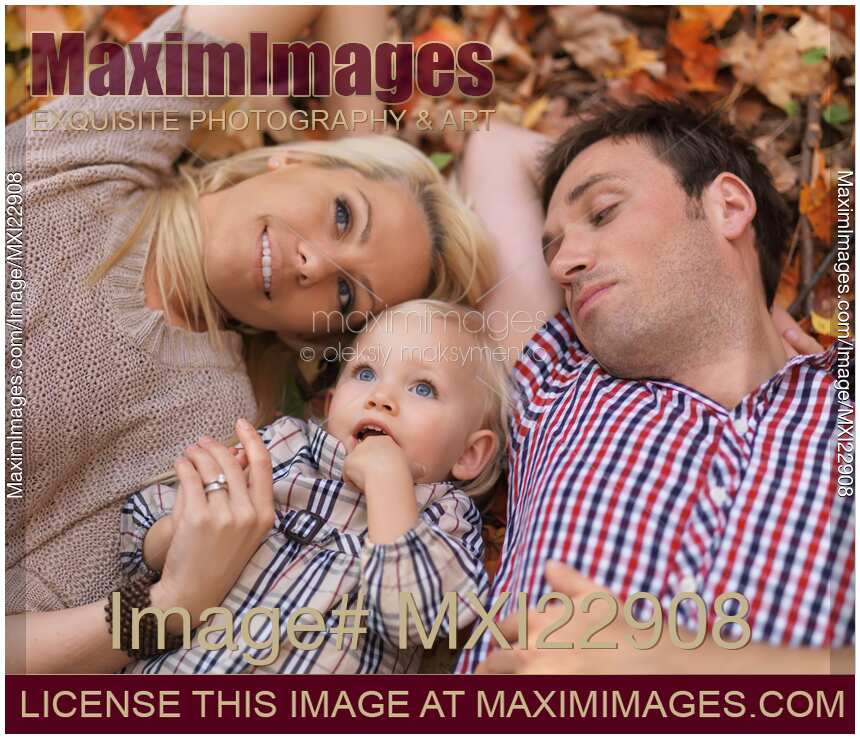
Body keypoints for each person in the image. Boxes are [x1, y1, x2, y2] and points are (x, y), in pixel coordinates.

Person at [6, 7, 493, 672]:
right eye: (341, 215)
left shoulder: (219, 431)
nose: (315, 263)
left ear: (308, 333)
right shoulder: (97, 155)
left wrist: (165, 608)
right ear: (293, 160)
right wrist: (367, 158)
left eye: (345, 295)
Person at [454, 100, 853, 674]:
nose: (563, 264)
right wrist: (741, 289)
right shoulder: (556, 378)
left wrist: (676, 664)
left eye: (603, 212)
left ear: (729, 205)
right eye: (552, 249)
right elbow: (494, 147)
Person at [114, 299, 506, 673]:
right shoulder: (285, 448)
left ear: (469, 454)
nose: (380, 397)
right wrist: (193, 521)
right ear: (330, 405)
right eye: (365, 373)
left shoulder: (446, 520)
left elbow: (417, 618)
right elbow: (139, 530)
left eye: (423, 388)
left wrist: (389, 484)